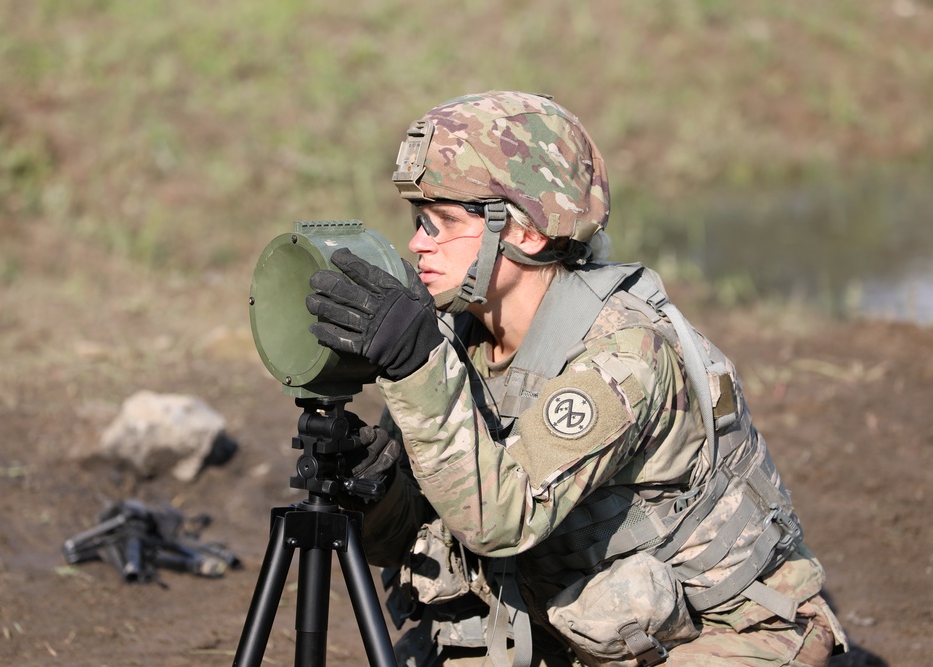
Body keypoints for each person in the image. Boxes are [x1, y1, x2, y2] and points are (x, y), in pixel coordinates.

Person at [305, 91, 847, 666]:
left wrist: (414, 366)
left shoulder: (624, 352)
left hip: (722, 632)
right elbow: (408, 538)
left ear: (525, 233)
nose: (418, 243)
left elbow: (498, 522)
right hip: (565, 629)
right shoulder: (452, 337)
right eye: (418, 221)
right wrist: (375, 486)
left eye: (441, 224)